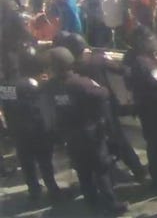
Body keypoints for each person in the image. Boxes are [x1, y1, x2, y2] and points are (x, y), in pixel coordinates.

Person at [45, 47, 128, 214]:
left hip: (70, 136)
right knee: (101, 169)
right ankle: (111, 204)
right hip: (91, 133)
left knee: (83, 171)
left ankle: (91, 201)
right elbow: (103, 94)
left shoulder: (50, 87)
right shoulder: (81, 83)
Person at [54, 31, 145, 182]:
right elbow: (122, 70)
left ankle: (103, 176)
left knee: (96, 146)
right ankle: (138, 170)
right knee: (119, 139)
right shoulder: (98, 59)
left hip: (85, 113)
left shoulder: (70, 69)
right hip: (106, 107)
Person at [0, 46, 66, 202]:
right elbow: (40, 106)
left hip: (17, 130)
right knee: (45, 161)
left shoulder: (4, 86)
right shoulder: (31, 84)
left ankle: (34, 191)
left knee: (26, 162)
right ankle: (53, 189)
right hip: (36, 130)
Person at [122, 25, 157, 188]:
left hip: (149, 107)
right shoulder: (142, 62)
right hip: (152, 108)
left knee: (156, 142)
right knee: (156, 143)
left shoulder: (142, 58)